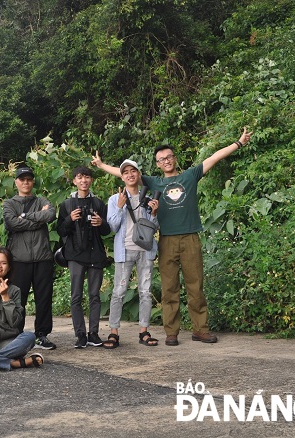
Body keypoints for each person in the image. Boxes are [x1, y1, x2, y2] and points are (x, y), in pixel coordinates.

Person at [92, 127, 253, 346]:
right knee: (169, 288)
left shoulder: (189, 176)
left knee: (195, 285)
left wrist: (239, 142)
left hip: (190, 238)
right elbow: (127, 175)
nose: (166, 161)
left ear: (174, 159)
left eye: (169, 157)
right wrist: (101, 166)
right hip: (166, 239)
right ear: (157, 164)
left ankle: (201, 329)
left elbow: (214, 157)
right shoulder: (154, 182)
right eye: (161, 159)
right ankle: (171, 332)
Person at [105, 159, 160, 349]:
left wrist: (153, 212)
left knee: (145, 292)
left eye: (133, 171)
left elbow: (155, 226)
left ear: (138, 174)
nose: (130, 174)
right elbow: (112, 226)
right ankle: (114, 333)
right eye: (126, 172)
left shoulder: (148, 197)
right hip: (124, 250)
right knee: (119, 292)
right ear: (122, 176)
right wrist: (120, 206)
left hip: (146, 251)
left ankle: (144, 331)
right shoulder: (115, 199)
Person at [2, 166, 57, 350]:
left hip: (42, 257)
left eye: (29, 179)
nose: (25, 182)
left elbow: (50, 214)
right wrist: (37, 220)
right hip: (19, 259)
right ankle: (16, 334)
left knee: (44, 298)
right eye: (22, 179)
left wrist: (25, 217)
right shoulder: (9, 204)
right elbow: (11, 222)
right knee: (18, 299)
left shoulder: (41, 200)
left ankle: (42, 334)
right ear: (16, 182)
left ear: (33, 182)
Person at [56, 166, 110, 348]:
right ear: (74, 181)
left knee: (95, 295)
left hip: (95, 253)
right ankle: (80, 334)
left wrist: (101, 222)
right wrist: (69, 219)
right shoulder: (66, 205)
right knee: (76, 296)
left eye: (87, 177)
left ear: (91, 180)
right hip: (75, 254)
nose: (83, 181)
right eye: (79, 177)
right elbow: (60, 230)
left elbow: (105, 231)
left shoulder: (98, 203)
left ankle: (93, 333)